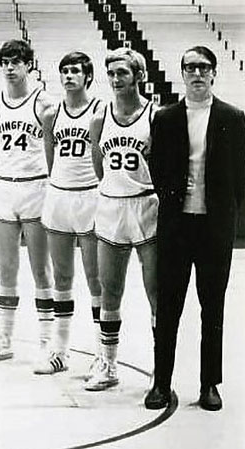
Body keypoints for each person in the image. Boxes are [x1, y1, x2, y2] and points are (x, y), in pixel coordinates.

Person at [146, 46, 245, 411]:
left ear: (214, 73)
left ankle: (209, 385)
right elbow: (157, 168)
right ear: (182, 73)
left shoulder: (233, 118)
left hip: (214, 228)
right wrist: (175, 198)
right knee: (168, 307)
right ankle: (161, 381)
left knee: (212, 308)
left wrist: (224, 210)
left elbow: (240, 176)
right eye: (190, 67)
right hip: (176, 226)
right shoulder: (167, 117)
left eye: (204, 67)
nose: (197, 74)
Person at [0, 40, 56, 364]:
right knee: (6, 268)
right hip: (3, 187)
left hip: (35, 187)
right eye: (5, 63)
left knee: (41, 269)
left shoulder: (44, 103)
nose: (10, 68)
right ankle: (4, 338)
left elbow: (51, 150)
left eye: (16, 62)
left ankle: (46, 341)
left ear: (29, 65)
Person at [86, 48, 158, 392]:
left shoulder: (154, 116)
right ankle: (108, 364)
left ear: (138, 76)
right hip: (112, 205)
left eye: (123, 74)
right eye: (112, 74)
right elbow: (99, 168)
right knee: (109, 290)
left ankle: (163, 366)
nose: (116, 80)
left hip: (146, 205)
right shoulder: (100, 117)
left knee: (155, 293)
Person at [38, 52, 102, 375]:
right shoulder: (51, 113)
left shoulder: (100, 112)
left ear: (87, 75)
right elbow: (50, 157)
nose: (68, 76)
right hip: (59, 196)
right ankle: (59, 351)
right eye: (64, 70)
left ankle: (101, 353)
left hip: (90, 196)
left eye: (75, 70)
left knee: (96, 279)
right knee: (62, 277)